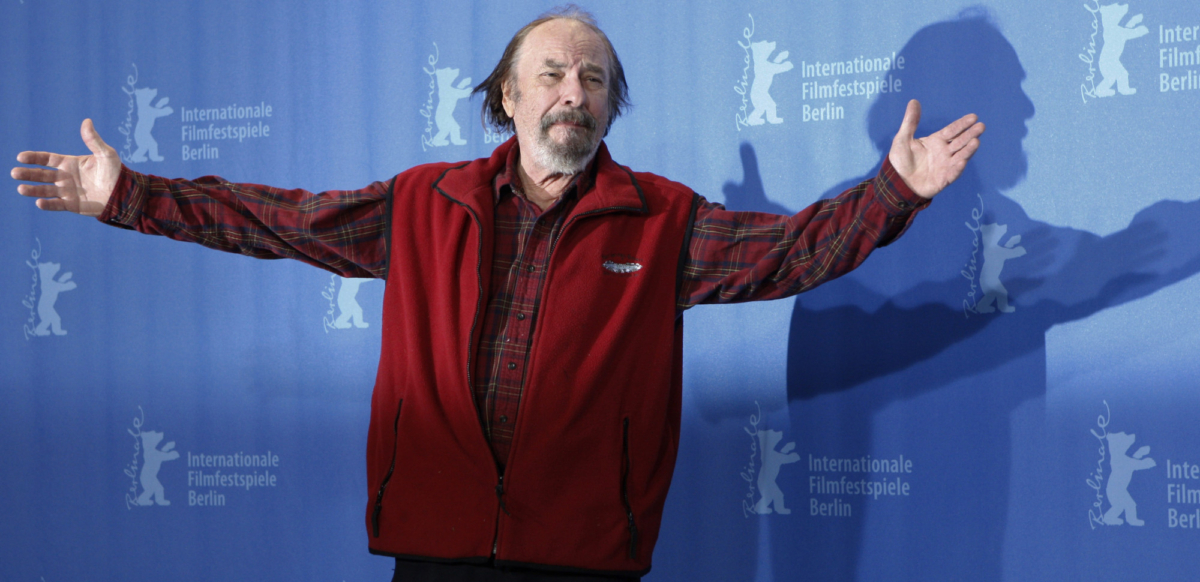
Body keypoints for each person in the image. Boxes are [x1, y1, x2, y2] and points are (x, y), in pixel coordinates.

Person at [11, 6, 983, 582]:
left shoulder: (664, 221)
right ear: (507, 98)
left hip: (583, 558)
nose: (576, 90)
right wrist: (131, 196)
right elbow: (278, 219)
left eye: (595, 79)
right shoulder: (424, 203)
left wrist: (893, 191)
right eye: (552, 72)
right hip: (434, 549)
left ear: (610, 107)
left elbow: (795, 253)